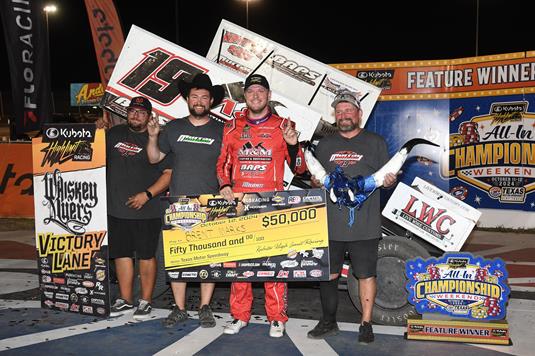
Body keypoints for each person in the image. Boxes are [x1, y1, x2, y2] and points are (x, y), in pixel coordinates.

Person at [306, 90, 397, 344]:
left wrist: (389, 182)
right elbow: (318, 181)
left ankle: (366, 324)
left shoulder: (375, 142)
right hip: (331, 224)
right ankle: (328, 321)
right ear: (335, 116)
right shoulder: (325, 145)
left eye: (348, 110)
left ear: (359, 114)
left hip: (365, 225)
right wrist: (315, 181)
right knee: (329, 274)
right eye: (339, 111)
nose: (344, 115)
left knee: (366, 274)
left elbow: (386, 179)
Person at [217, 74, 300, 338]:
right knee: (238, 265)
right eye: (250, 91)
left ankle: (276, 318)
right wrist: (224, 185)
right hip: (240, 206)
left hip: (271, 206)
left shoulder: (283, 126)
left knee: (274, 264)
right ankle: (239, 316)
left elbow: (301, 169)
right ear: (244, 96)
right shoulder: (231, 127)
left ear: (268, 94)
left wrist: (294, 145)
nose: (255, 95)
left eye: (260, 91)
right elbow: (223, 164)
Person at [146, 73, 225, 328]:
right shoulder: (174, 127)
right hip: (178, 204)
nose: (199, 101)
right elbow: (155, 158)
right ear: (188, 100)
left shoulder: (222, 130)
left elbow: (231, 164)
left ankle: (205, 307)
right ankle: (179, 308)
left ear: (211, 101)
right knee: (179, 258)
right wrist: (152, 136)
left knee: (208, 259)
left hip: (211, 204)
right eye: (195, 97)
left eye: (204, 97)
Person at [106, 96, 172, 320]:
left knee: (146, 256)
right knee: (121, 255)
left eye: (141, 112)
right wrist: (95, 130)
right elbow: (93, 156)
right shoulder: (113, 134)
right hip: (116, 209)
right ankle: (125, 300)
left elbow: (168, 174)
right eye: (132, 111)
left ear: (149, 116)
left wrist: (148, 194)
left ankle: (145, 301)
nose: (136, 115)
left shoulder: (159, 139)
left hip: (148, 209)